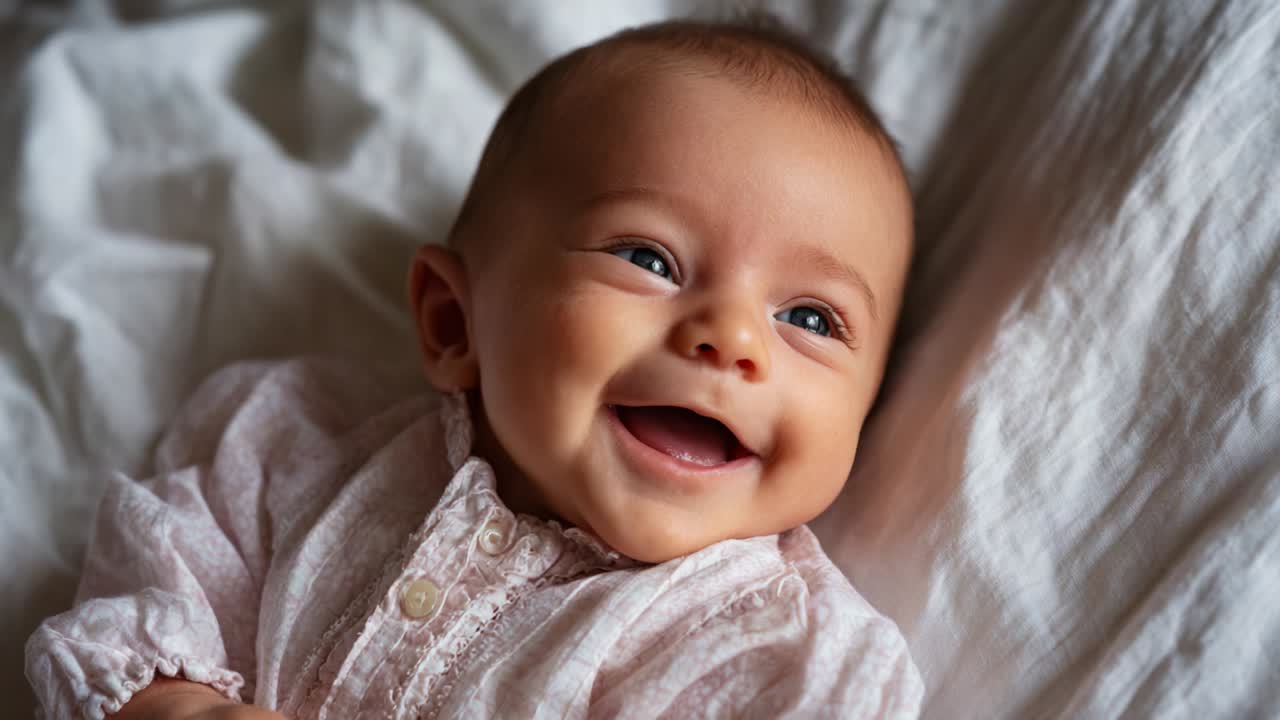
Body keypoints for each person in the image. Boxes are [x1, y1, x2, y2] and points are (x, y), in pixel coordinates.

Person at [26, 16, 920, 719]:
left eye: (810, 318)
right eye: (649, 259)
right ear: (455, 321)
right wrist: (170, 701)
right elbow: (159, 559)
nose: (731, 340)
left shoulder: (793, 663)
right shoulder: (300, 442)